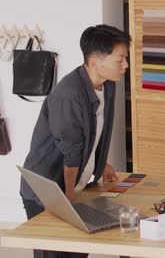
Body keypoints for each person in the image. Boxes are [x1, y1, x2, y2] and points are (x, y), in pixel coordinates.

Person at [20, 24, 130, 258]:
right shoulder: (69, 94)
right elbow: (71, 151)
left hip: (70, 186)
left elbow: (95, 132)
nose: (125, 66)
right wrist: (70, 197)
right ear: (96, 61)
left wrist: (101, 165)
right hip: (46, 190)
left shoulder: (107, 85)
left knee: (78, 251)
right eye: (120, 60)